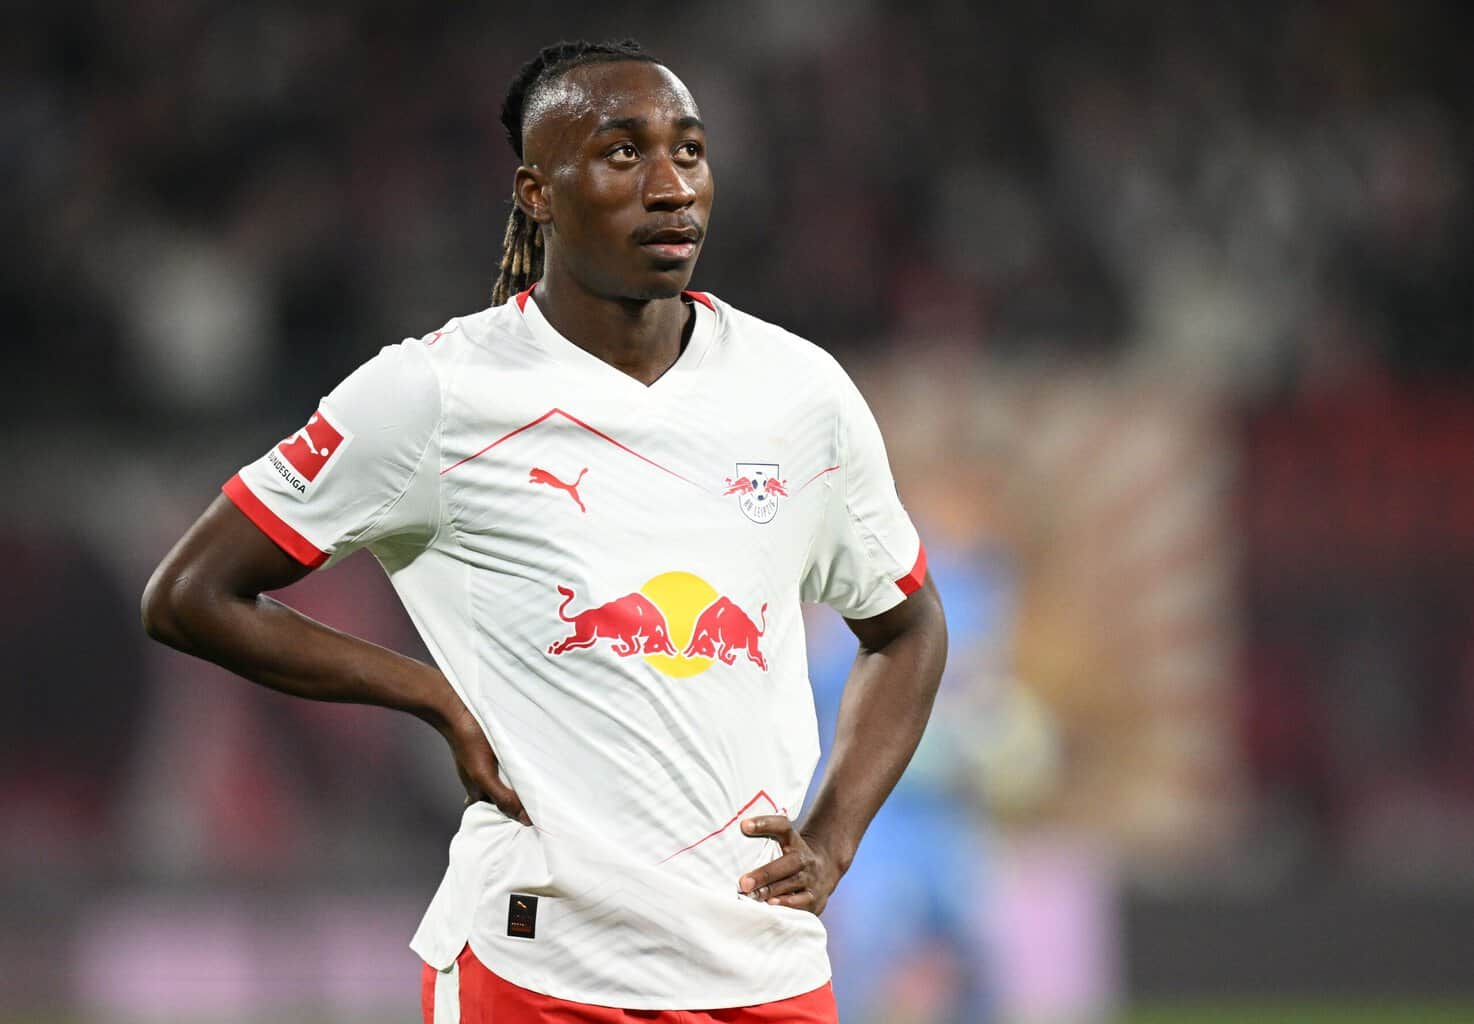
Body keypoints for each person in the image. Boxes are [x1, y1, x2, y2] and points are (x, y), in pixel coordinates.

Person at [141, 38, 946, 1023]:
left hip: (763, 967)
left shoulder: (800, 392)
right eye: (622, 153)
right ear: (537, 193)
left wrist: (834, 836)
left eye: (689, 151)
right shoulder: (436, 394)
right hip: (540, 966)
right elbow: (190, 595)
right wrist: (433, 697)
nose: (671, 187)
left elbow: (906, 625)